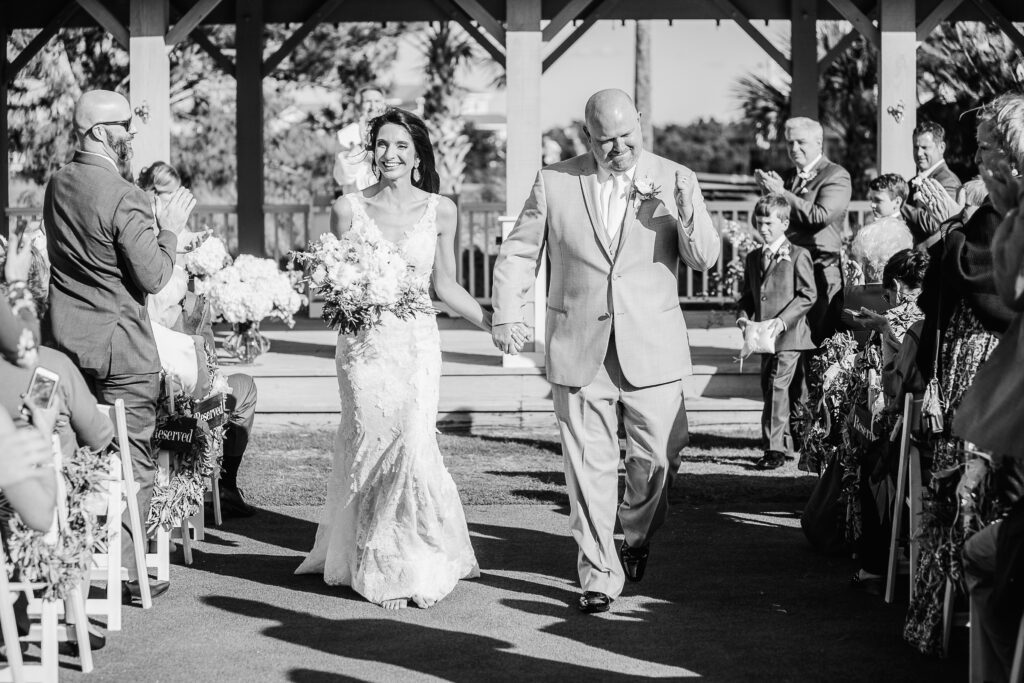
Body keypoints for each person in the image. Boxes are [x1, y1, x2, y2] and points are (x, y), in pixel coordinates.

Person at [490, 89, 721, 614]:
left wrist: (684, 209)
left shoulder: (676, 176)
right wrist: (509, 312)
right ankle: (598, 574)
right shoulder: (555, 180)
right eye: (605, 139)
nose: (618, 148)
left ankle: (635, 536)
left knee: (658, 460)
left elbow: (704, 258)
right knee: (587, 468)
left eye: (626, 136)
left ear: (640, 123)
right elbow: (520, 252)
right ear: (586, 134)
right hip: (579, 344)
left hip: (653, 347)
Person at [296, 108, 489, 610]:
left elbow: (445, 285)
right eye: (381, 145)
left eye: (401, 146)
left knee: (413, 441)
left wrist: (493, 324)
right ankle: (372, 560)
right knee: (369, 443)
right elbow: (328, 286)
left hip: (419, 345)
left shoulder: (441, 210)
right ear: (370, 152)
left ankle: (410, 559)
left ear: (418, 154)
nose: (390, 155)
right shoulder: (347, 209)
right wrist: (346, 295)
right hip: (364, 349)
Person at [42, 89, 195, 601]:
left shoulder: (57, 184)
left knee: (79, 455)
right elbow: (153, 275)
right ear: (99, 133)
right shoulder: (125, 194)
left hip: (67, 344)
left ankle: (79, 566)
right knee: (135, 460)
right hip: (122, 352)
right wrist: (170, 230)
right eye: (125, 126)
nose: (132, 134)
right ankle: (130, 573)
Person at [904, 95, 1021, 656]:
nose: (977, 163)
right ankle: (940, 619)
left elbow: (999, 296)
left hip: (989, 379)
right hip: (966, 376)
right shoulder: (981, 218)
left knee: (977, 511)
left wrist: (949, 241)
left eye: (986, 151)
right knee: (960, 507)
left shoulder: (996, 223)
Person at [754, 117, 852, 347]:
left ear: (818, 142)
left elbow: (820, 216)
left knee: (819, 338)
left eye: (801, 142)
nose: (794, 148)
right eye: (789, 143)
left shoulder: (836, 175)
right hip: (788, 269)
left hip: (820, 268)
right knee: (789, 341)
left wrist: (783, 193)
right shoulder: (788, 177)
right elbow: (770, 220)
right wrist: (767, 194)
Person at [736, 194, 815, 470]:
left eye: (768, 222)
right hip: (762, 338)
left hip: (790, 335)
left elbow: (808, 295)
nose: (763, 227)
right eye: (759, 221)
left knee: (776, 387)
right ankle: (794, 443)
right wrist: (743, 319)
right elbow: (747, 297)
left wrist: (782, 321)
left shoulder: (798, 255)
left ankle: (773, 450)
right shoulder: (754, 257)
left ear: (784, 222)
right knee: (784, 390)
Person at [840, 174, 915, 346]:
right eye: (871, 200)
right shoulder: (869, 226)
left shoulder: (909, 231)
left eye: (878, 200)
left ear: (896, 202)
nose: (872, 205)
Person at [902, 121, 963, 246]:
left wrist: (899, 205)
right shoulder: (911, 182)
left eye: (925, 148)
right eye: (915, 147)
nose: (919, 153)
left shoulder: (948, 181)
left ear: (941, 147)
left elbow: (933, 224)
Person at [333, 84, 388, 196]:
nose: (373, 106)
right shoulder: (345, 135)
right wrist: (361, 148)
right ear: (358, 106)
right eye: (368, 101)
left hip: (386, 201)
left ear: (384, 105)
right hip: (357, 201)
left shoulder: (393, 133)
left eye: (377, 101)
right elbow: (342, 177)